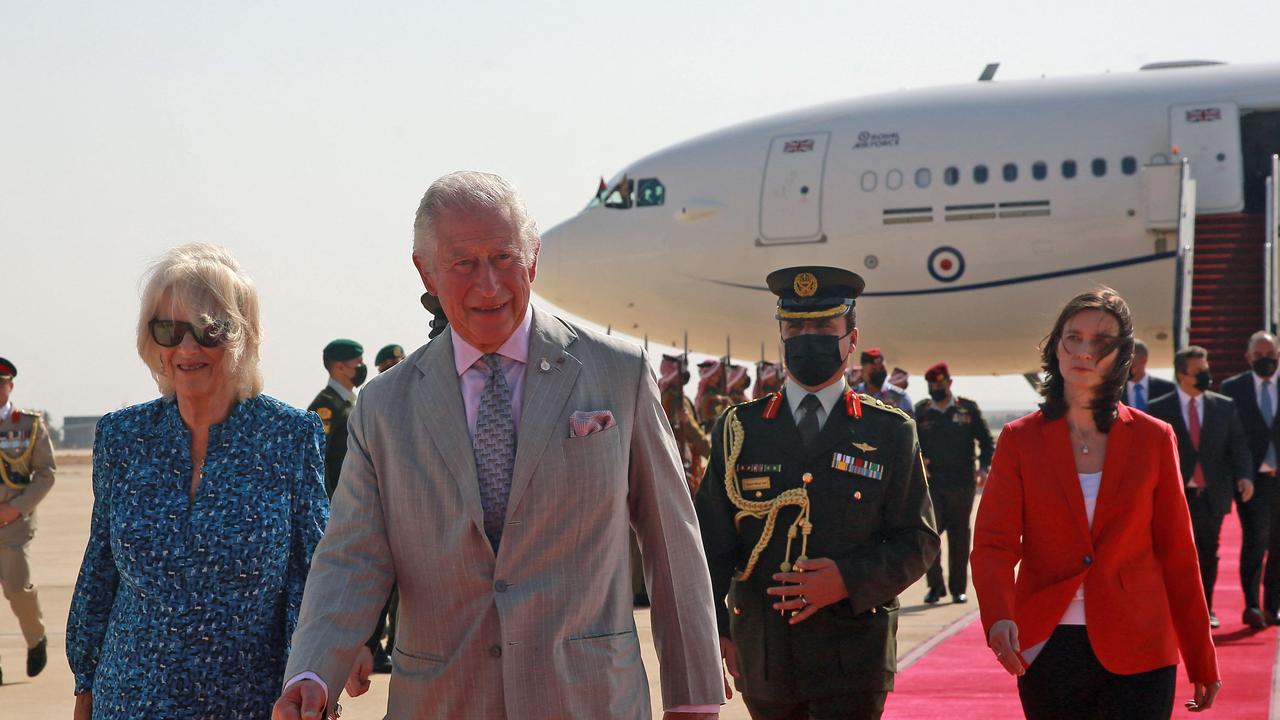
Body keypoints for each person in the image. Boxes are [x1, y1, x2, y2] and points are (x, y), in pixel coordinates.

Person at [273, 171, 724, 720]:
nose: (488, 285)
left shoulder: (618, 374)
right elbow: (352, 556)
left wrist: (694, 697)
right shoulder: (384, 407)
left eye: (505, 258)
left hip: (589, 700)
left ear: (533, 258)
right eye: (463, 262)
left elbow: (672, 542)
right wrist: (313, 669)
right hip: (441, 702)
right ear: (426, 271)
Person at [66, 243, 329, 719]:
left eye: (211, 330)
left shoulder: (291, 436)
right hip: (129, 696)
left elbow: (310, 575)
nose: (187, 348)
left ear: (243, 336)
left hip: (250, 699)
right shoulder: (122, 437)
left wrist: (311, 677)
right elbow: (100, 568)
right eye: (170, 330)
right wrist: (86, 686)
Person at [695, 265, 939, 720]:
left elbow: (919, 542)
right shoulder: (739, 428)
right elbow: (709, 545)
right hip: (764, 654)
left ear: (851, 337)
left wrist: (846, 578)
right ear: (782, 334)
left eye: (824, 325)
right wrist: (718, 630)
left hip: (854, 657)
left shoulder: (889, 430)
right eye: (796, 326)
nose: (808, 337)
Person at [972, 288, 1219, 719]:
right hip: (1049, 646)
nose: (1085, 351)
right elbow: (994, 544)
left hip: (1141, 644)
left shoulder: (1154, 438)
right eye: (1074, 337)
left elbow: (1179, 554)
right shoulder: (1019, 439)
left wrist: (1201, 655)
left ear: (1121, 355)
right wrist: (997, 616)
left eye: (1101, 341)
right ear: (1056, 346)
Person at [1147, 346, 1253, 629]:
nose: (1206, 375)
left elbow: (1238, 445)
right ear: (1182, 375)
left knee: (1208, 552)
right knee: (1171, 553)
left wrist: (1245, 476)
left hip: (1211, 495)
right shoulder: (1158, 408)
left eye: (1206, 369)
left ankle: (1205, 608)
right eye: (1199, 371)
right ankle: (1169, 609)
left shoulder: (1224, 406)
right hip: (1174, 497)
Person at [915, 361, 994, 605]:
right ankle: (935, 586)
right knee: (930, 536)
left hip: (962, 484)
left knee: (959, 538)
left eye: (940, 384)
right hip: (933, 484)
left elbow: (986, 440)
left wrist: (983, 467)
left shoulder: (966, 409)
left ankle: (959, 588)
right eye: (932, 385)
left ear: (949, 383)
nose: (936, 388)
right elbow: (911, 443)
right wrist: (919, 460)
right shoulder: (922, 411)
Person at [1218, 331, 1280, 628]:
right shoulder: (1233, 388)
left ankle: (1273, 605)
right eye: (1258, 355)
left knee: (1278, 543)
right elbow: (1229, 437)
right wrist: (1237, 476)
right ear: (1248, 357)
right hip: (1251, 481)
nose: (1264, 359)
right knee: (1256, 540)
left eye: (1269, 353)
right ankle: (1252, 605)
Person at [0, 357, 54, 685]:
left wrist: (16, 508)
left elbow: (46, 473)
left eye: (0, 384)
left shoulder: (28, 425)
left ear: (10, 386)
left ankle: (36, 639)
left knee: (17, 589)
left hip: (14, 524)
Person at [308, 339, 365, 499]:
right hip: (336, 500)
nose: (362, 367)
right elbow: (317, 458)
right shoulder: (326, 406)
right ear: (340, 367)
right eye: (358, 363)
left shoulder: (348, 402)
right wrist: (327, 504)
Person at [855, 348, 913, 416]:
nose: (879, 373)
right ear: (863, 371)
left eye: (882, 368)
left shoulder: (900, 397)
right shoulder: (854, 394)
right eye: (873, 370)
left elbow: (911, 423)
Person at [1125, 339, 1176, 412]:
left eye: (1129, 361)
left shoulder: (1168, 389)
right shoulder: (1114, 392)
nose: (1125, 366)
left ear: (1143, 360)